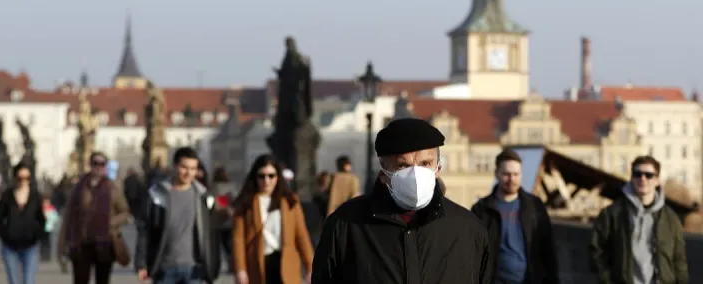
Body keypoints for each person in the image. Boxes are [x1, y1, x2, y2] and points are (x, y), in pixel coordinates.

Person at [312, 118, 492, 284]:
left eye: (425, 164)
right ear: (383, 172)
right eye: (403, 166)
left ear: (438, 168)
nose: (415, 175)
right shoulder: (346, 225)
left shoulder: (467, 228)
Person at [590, 155, 688, 284]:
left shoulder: (670, 219)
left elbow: (679, 260)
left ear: (657, 180)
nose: (643, 179)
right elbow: (596, 250)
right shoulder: (612, 214)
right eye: (638, 174)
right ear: (632, 178)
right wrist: (607, 279)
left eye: (649, 175)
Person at [134, 147, 221, 284]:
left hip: (195, 270)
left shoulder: (203, 197)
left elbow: (211, 235)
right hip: (164, 269)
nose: (188, 173)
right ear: (174, 166)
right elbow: (145, 230)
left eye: (193, 169)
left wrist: (213, 267)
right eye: (184, 167)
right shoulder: (157, 195)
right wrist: (141, 264)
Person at [471, 149, 559, 284]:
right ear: (497, 174)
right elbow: (473, 253)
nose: (512, 179)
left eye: (516, 174)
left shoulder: (534, 207)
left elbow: (548, 250)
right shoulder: (482, 209)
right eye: (506, 174)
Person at [232, 154, 314, 284]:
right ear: (255, 177)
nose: (266, 181)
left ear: (278, 177)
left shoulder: (290, 201)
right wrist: (240, 269)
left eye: (271, 176)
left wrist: (310, 266)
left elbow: (301, 235)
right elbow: (238, 239)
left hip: (285, 263)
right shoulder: (245, 203)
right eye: (261, 176)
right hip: (257, 264)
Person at [59, 152, 130, 284]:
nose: (98, 167)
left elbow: (125, 212)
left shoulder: (112, 188)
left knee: (102, 280)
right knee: (80, 280)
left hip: (105, 243)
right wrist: (62, 246)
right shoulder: (78, 188)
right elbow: (68, 216)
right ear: (90, 165)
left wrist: (111, 222)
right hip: (81, 242)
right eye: (95, 163)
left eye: (102, 164)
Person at [0, 162, 46, 284]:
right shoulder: (7, 196)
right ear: (15, 178)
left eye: (27, 178)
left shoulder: (35, 196)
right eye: (20, 178)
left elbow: (41, 219)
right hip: (10, 246)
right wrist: (5, 234)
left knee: (28, 281)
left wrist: (36, 235)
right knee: (14, 281)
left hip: (30, 246)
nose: (23, 181)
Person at [211, 166, 236, 273]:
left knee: (216, 246)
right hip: (229, 221)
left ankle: (215, 266)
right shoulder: (231, 187)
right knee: (229, 246)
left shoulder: (212, 188)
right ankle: (231, 265)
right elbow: (235, 201)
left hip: (216, 222)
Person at [41, 195, 59, 262]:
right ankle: (43, 255)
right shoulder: (41, 209)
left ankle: (48, 255)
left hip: (49, 228)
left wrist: (49, 219)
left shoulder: (51, 209)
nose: (45, 203)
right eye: (44, 202)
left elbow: (55, 218)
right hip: (42, 229)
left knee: (48, 242)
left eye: (46, 202)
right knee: (43, 242)